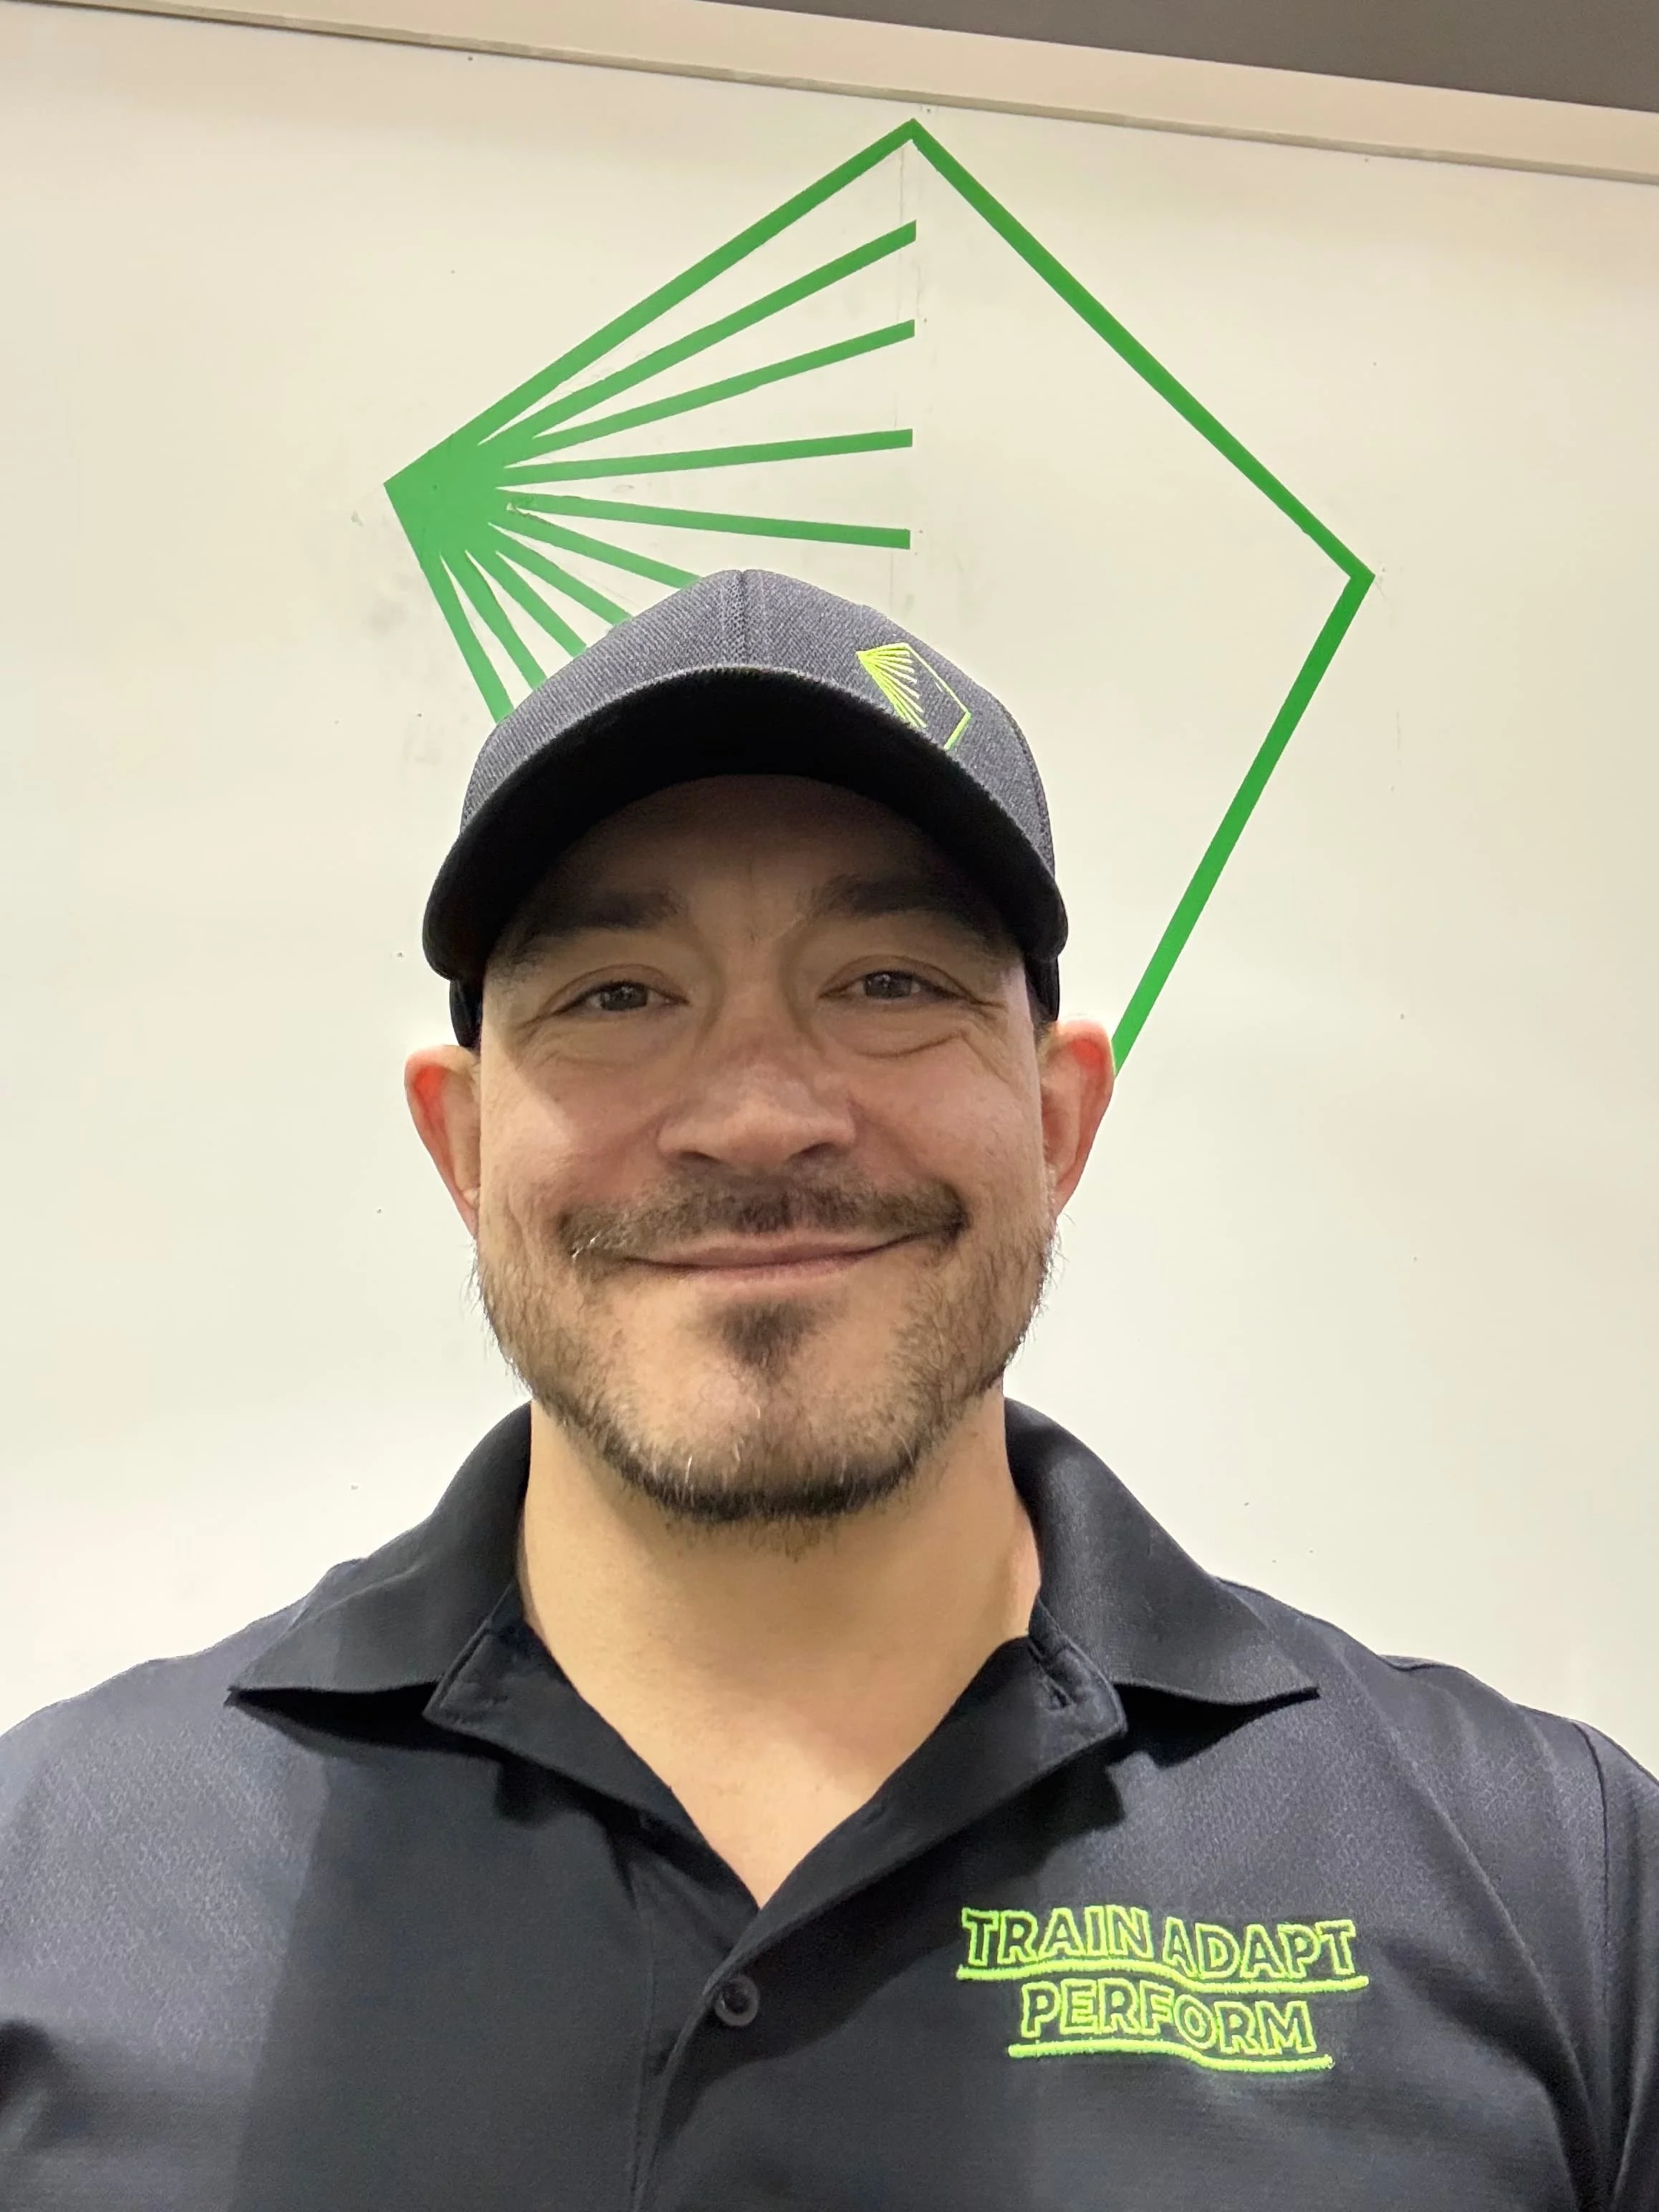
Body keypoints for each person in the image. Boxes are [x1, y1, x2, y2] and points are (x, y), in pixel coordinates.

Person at [0, 569, 1653, 2211]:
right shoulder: (51, 1883)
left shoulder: (1562, 1888)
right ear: (466, 1140)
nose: (759, 1113)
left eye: (889, 982)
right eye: (617, 997)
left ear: (1061, 1121)